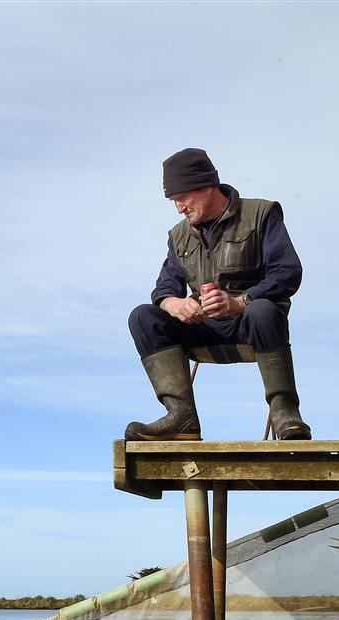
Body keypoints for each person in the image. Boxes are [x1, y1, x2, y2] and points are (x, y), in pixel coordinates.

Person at [125, 148, 309, 441]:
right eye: (173, 201)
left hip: (250, 322)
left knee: (262, 310)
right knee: (143, 317)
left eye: (182, 197)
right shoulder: (178, 235)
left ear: (207, 186)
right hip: (204, 326)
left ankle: (285, 413)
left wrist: (239, 302)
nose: (179, 208)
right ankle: (181, 417)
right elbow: (163, 289)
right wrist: (175, 304)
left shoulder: (261, 214)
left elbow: (287, 272)